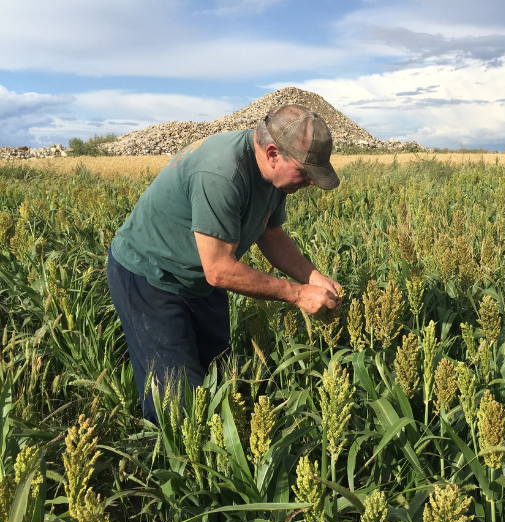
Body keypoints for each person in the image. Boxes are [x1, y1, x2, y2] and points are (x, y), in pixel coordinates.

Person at [107, 104, 342, 423]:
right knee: (177, 403)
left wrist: (312, 276)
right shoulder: (223, 172)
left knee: (219, 376)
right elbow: (219, 270)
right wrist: (298, 294)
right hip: (149, 276)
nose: (311, 183)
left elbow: (270, 235)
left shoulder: (274, 179)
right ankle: (174, 467)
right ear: (273, 153)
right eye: (305, 173)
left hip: (199, 279)